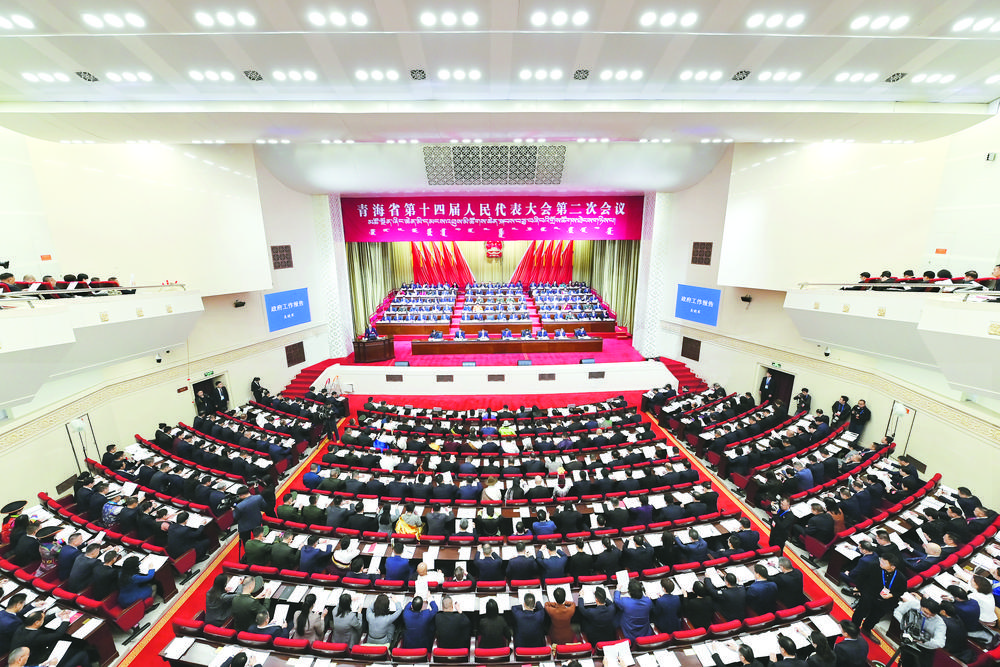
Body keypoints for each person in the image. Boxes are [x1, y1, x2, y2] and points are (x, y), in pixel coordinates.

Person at [852, 555, 906, 636]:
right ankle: (853, 627)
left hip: (884, 600)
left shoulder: (900, 578)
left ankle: (866, 629)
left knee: (875, 617)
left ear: (892, 567)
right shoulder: (873, 566)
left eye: (884, 563)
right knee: (860, 612)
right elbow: (862, 577)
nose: (881, 563)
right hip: (869, 595)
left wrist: (891, 595)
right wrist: (859, 589)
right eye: (881, 560)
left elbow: (901, 591)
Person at [893, 594, 946, 667]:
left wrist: (922, 641)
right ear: (921, 606)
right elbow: (897, 612)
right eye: (925, 612)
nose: (927, 616)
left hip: (925, 650)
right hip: (909, 641)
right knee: (905, 662)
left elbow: (940, 643)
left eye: (931, 615)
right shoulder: (913, 604)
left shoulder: (940, 623)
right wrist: (905, 623)